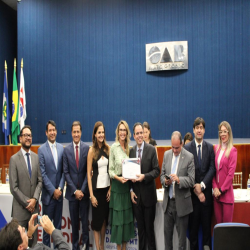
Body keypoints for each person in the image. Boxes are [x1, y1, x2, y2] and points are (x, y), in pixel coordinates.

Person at [184, 117, 215, 250]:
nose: (199, 130)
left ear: (204, 130)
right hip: (192, 200)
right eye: (197, 128)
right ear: (194, 130)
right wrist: (196, 190)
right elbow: (185, 171)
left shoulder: (210, 147)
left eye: (201, 128)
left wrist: (201, 186)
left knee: (207, 233)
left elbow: (212, 169)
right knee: (193, 233)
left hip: (206, 199)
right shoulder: (187, 148)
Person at [9, 125, 43, 247]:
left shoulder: (36, 158)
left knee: (33, 245)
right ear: (20, 138)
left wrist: (34, 199)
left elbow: (40, 181)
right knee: (19, 244)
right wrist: (28, 203)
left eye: (30, 135)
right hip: (20, 212)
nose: (28, 138)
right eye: (25, 135)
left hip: (34, 212)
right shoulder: (14, 159)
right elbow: (13, 187)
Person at [160, 131, 195, 250]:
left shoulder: (189, 157)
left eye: (177, 148)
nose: (174, 150)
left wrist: (179, 180)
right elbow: (162, 175)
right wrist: (165, 181)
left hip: (182, 205)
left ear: (182, 144)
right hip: (168, 204)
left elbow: (191, 180)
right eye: (172, 147)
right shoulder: (166, 155)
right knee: (167, 240)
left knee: (181, 243)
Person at [129, 122, 160, 250]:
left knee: (149, 230)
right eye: (137, 134)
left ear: (144, 133)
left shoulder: (152, 149)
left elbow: (157, 171)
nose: (140, 135)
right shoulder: (131, 152)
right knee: (140, 231)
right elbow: (129, 175)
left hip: (149, 198)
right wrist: (131, 190)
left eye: (141, 133)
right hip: (137, 199)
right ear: (134, 136)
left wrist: (144, 176)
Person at [63, 121, 90, 250]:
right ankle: (75, 248)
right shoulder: (66, 150)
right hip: (72, 195)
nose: (76, 134)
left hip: (84, 195)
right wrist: (75, 191)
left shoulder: (87, 149)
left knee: (85, 225)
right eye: (74, 132)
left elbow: (87, 172)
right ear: (71, 133)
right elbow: (66, 172)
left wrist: (82, 190)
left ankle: (86, 247)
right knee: (74, 225)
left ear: (81, 132)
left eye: (78, 131)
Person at [38, 120, 65, 247]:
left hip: (59, 197)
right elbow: (42, 174)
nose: (52, 132)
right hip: (48, 198)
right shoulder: (41, 150)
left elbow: (64, 171)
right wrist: (53, 191)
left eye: (54, 130)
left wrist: (59, 188)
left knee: (57, 229)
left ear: (56, 131)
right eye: (50, 130)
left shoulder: (61, 148)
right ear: (46, 133)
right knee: (46, 231)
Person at [109, 120, 134, 250]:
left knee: (125, 223)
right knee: (118, 222)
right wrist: (119, 179)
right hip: (117, 188)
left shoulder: (130, 149)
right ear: (117, 132)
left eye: (124, 130)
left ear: (127, 132)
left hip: (127, 189)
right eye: (121, 130)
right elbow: (110, 170)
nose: (122, 132)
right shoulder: (113, 147)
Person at [87, 121, 111, 250]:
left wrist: (111, 189)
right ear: (95, 134)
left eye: (103, 132)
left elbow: (111, 171)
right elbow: (88, 175)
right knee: (96, 223)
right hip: (96, 192)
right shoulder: (91, 151)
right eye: (99, 132)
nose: (101, 135)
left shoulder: (108, 149)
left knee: (104, 221)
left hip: (106, 191)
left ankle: (102, 245)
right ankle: (98, 247)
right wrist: (91, 195)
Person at [0, 213, 70, 250]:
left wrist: (29, 235)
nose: (24, 228)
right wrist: (52, 230)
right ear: (20, 247)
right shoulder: (39, 248)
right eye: (22, 231)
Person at [212, 121, 237, 223]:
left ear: (229, 133)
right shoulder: (216, 149)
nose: (222, 134)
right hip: (216, 196)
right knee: (219, 228)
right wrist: (215, 188)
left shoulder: (233, 151)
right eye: (220, 132)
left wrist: (221, 190)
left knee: (226, 230)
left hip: (226, 196)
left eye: (225, 131)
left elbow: (230, 175)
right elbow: (213, 171)